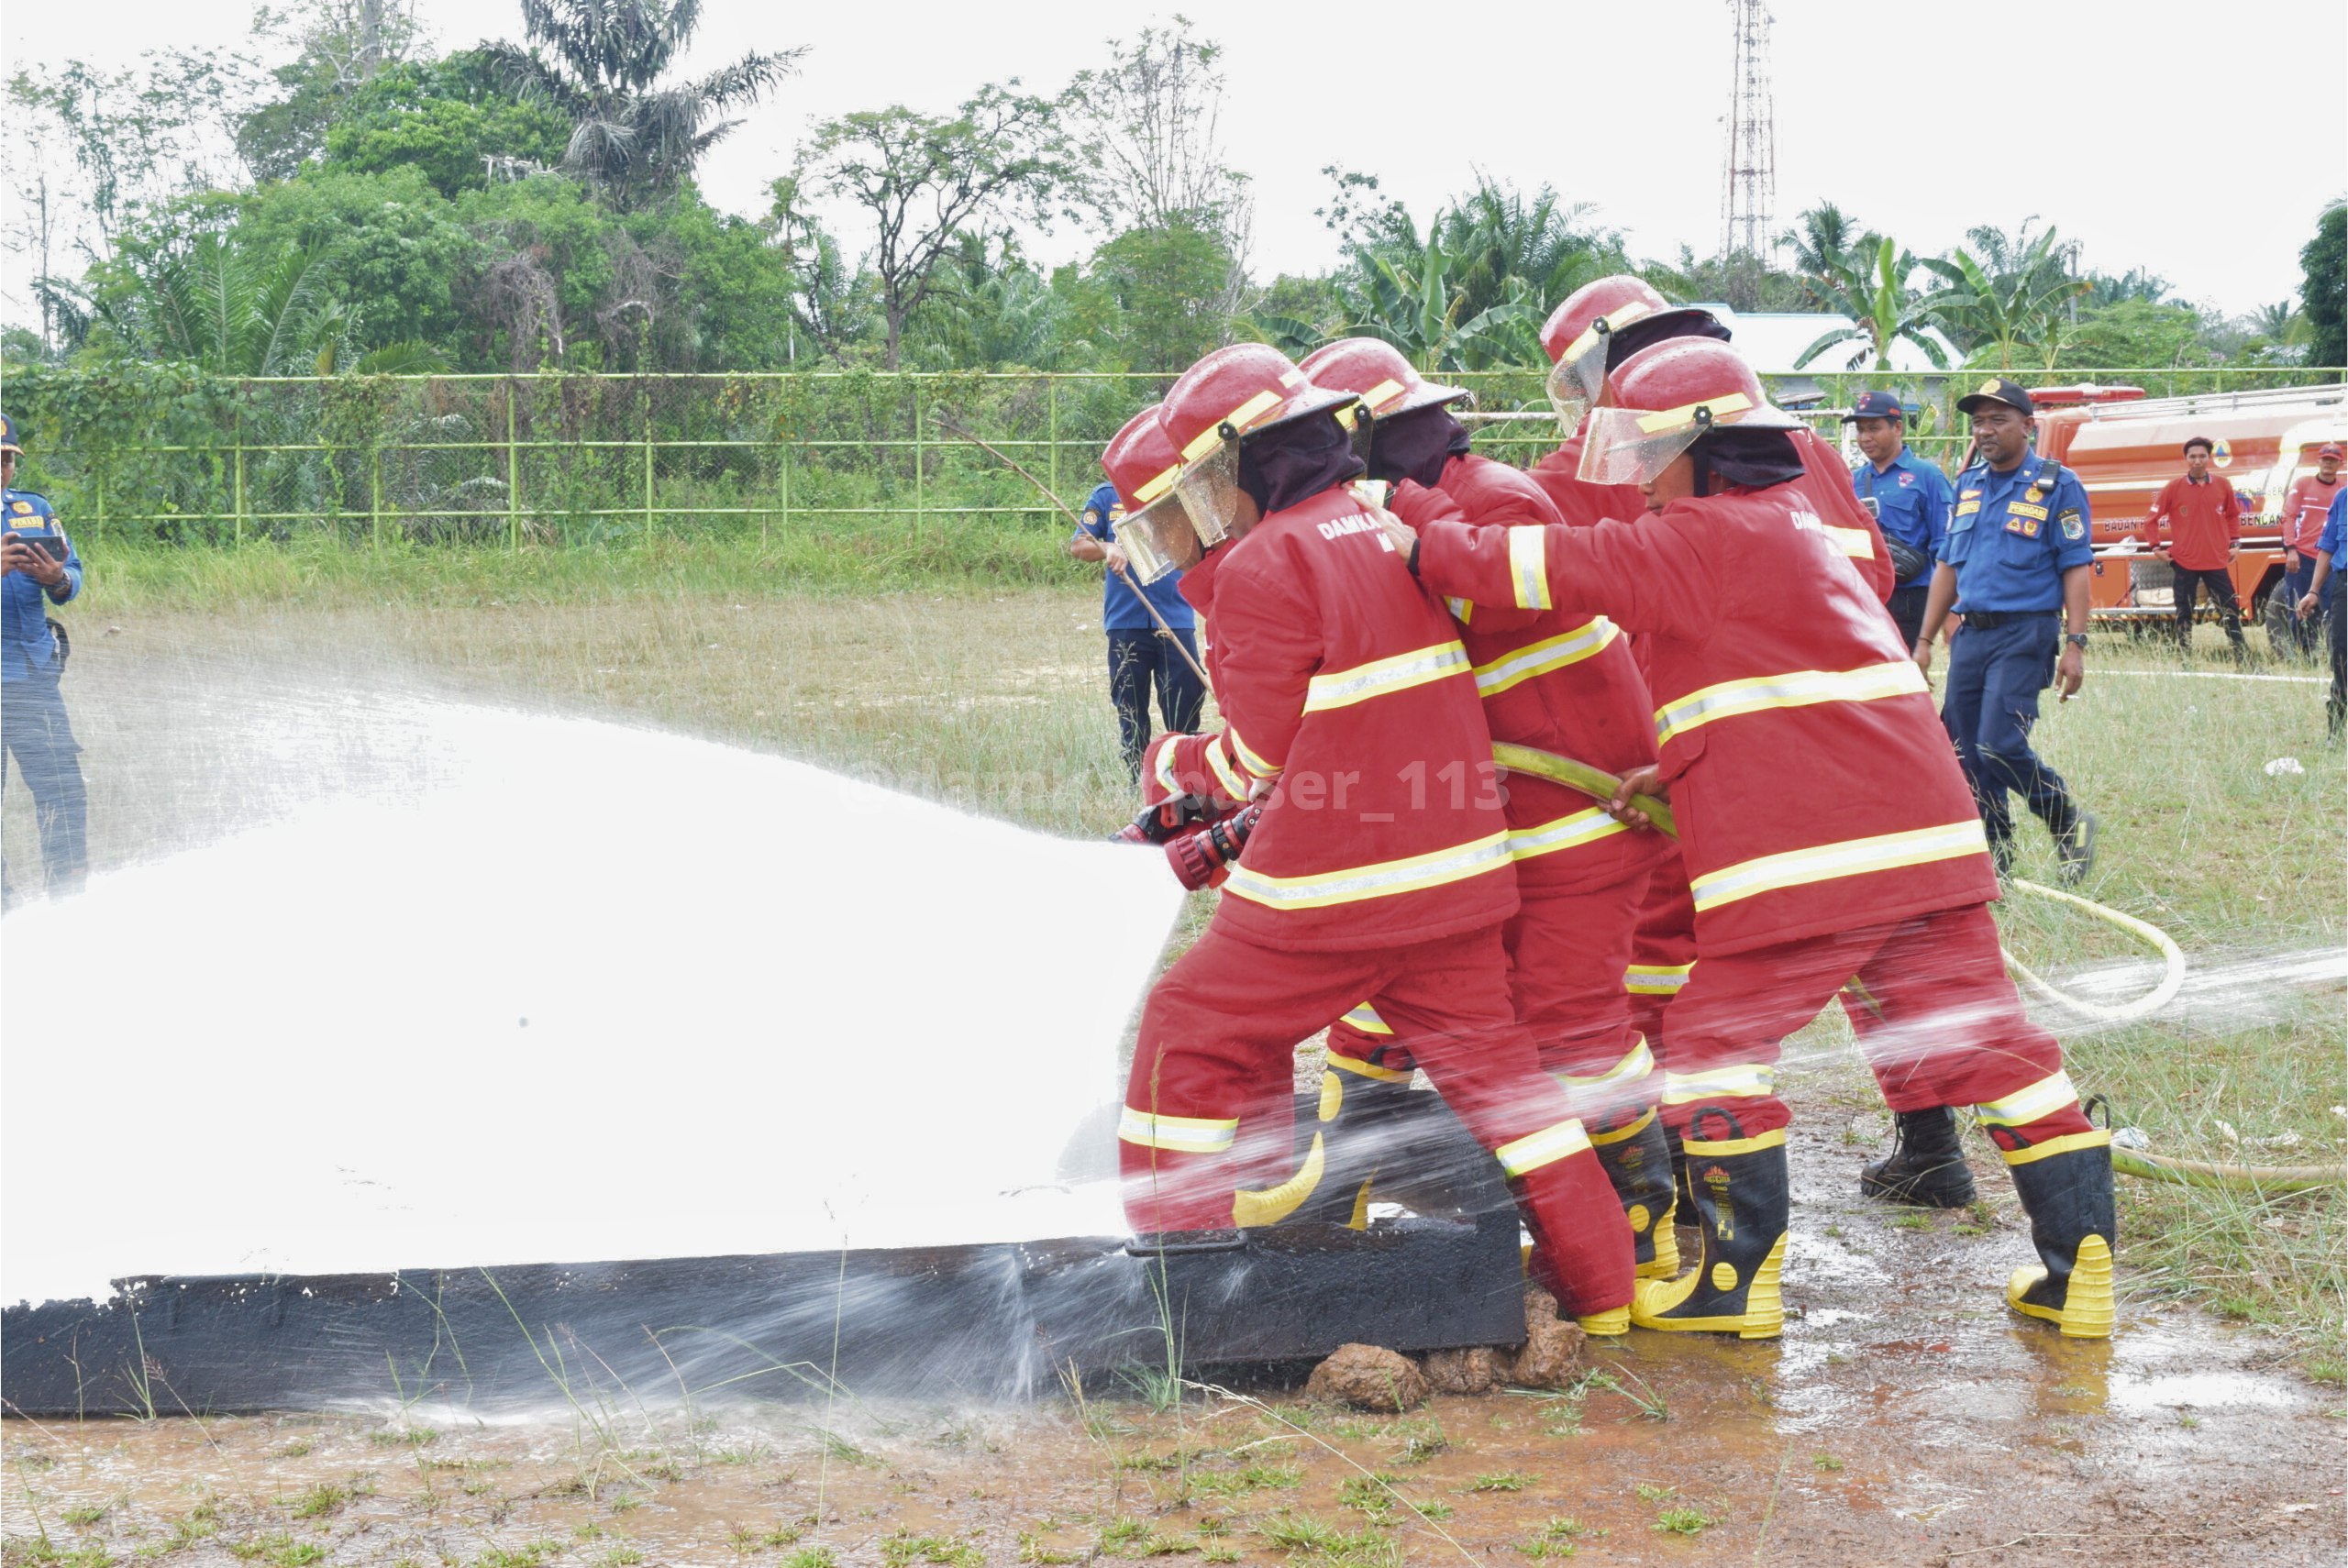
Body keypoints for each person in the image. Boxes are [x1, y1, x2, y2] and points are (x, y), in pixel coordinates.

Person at [1402, 341, 2120, 1342]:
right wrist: (1684, 759)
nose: (1642, 475)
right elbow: (1787, 686)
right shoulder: (1795, 529)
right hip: (1925, 838)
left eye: (1651, 452)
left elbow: (1507, 565)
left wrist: (1410, 506)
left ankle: (1734, 1290)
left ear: (1702, 450)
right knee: (1997, 1048)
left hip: (1811, 862)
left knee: (1709, 1050)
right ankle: (2074, 1277)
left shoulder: (1693, 539)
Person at [1115, 343, 1634, 1331]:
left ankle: (1173, 1290)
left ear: (1239, 462)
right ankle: (1602, 1295)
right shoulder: (1381, 520)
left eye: (1200, 488)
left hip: (1335, 887)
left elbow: (1257, 761)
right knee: (1509, 1092)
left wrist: (1172, 766)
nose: (1203, 513)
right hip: (1457, 877)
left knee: (1187, 1028)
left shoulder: (1268, 560)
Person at [1298, 337, 1678, 1281]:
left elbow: (1485, 600)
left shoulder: (1493, 498)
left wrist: (1398, 514)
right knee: (1386, 1001)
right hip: (1486, 825)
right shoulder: (1376, 518)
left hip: (1580, 818)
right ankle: (1333, 1205)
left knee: (1573, 1026)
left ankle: (1639, 1220)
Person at [1914, 378, 2099, 886]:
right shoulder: (1969, 483)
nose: (1986, 430)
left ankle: (2067, 820)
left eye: (1998, 420)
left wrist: (2076, 645)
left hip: (2026, 632)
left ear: (2027, 426)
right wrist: (1925, 641)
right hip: (1971, 635)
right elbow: (1948, 564)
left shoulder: (2057, 484)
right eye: (1979, 421)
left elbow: (2076, 567)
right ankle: (1996, 863)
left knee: (1999, 745)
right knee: (1964, 753)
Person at [1066, 461, 1204, 780]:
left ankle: (1185, 779)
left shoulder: (1177, 491)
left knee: (1184, 705)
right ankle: (1137, 781)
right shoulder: (1105, 496)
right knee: (1130, 707)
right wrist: (1108, 547)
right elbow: (1079, 545)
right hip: (1125, 620)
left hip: (1175, 616)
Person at [1, 410, 88, 906]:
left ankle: (67, 898)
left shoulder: (33, 510)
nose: (0, 470)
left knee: (63, 792)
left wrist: (56, 577)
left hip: (32, 682)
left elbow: (72, 573)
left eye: (7, 460)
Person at [1846, 392, 1955, 650]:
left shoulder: (1926, 476)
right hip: (1866, 597)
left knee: (1908, 677)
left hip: (1912, 598)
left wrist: (1951, 611)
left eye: (1874, 429)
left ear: (1897, 428)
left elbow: (1947, 545)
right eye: (1860, 430)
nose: (1865, 438)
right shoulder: (1852, 481)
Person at [2141, 436, 2248, 658]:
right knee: (2184, 611)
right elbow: (2150, 520)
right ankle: (2185, 659)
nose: (2197, 461)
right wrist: (2155, 547)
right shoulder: (2173, 487)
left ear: (2209, 458)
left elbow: (2233, 516)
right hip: (2185, 561)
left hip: (2216, 560)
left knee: (2229, 609)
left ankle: (2243, 658)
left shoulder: (2222, 485)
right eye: (2193, 457)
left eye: (2202, 456)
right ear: (2186, 459)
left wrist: (2235, 543)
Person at [2278, 443, 2342, 659]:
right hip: (2303, 557)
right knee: (2298, 606)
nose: (2328, 463)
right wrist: (2291, 549)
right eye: (2325, 459)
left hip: (2330, 560)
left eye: (2333, 460)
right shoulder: (2303, 484)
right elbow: (2288, 516)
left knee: (2332, 608)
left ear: (2340, 464)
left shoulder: (2342, 491)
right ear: (2318, 461)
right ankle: (2301, 654)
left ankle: (2328, 652)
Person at [2297, 485, 2346, 736]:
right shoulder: (2343, 497)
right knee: (2342, 658)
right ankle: (2335, 733)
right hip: (2345, 585)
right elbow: (2328, 545)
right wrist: (2314, 590)